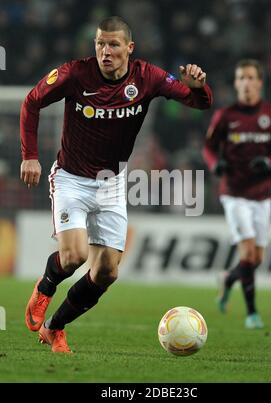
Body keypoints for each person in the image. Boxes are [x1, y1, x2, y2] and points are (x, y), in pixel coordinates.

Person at [20, 16, 212, 353]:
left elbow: (199, 103)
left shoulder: (148, 77)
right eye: (100, 44)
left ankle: (55, 328)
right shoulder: (75, 73)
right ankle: (46, 286)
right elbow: (31, 102)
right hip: (71, 179)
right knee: (74, 257)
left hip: (111, 183)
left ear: (129, 48)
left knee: (107, 272)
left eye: (113, 45)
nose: (105, 51)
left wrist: (199, 86)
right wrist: (30, 155)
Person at [203, 59, 271, 329]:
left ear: (259, 83)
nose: (245, 83)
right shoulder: (226, 116)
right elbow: (208, 148)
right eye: (241, 78)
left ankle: (228, 279)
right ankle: (252, 314)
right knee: (248, 252)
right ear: (236, 83)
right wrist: (214, 163)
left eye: (250, 77)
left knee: (256, 259)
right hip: (234, 193)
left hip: (263, 195)